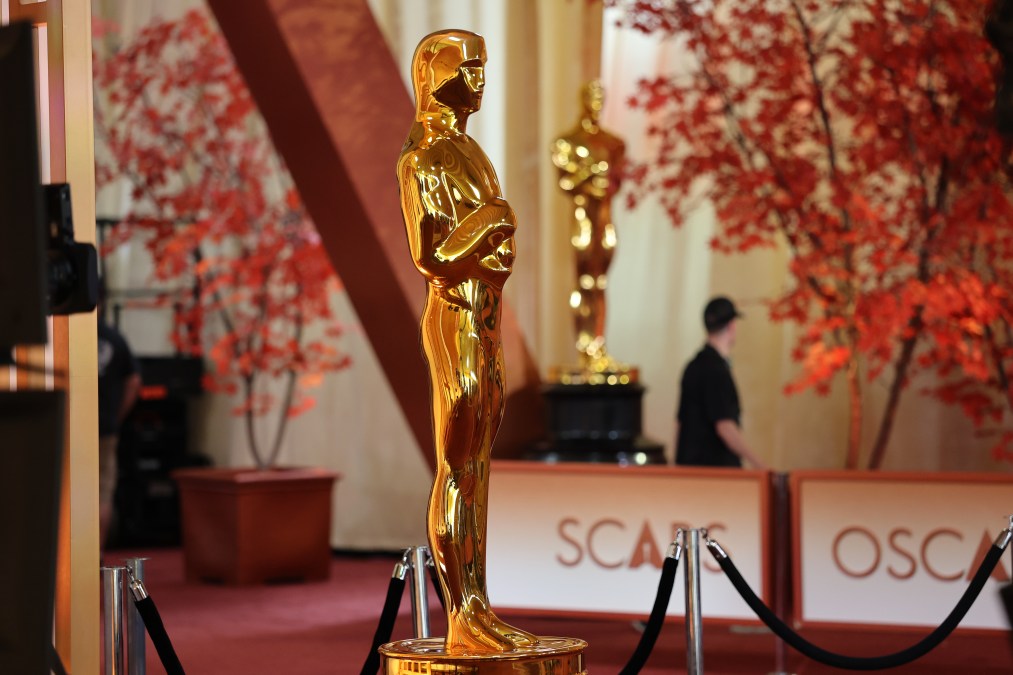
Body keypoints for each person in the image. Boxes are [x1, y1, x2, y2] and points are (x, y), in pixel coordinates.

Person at [398, 29, 536, 654]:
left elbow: (494, 250)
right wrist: (494, 220)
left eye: (484, 65)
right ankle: (462, 615)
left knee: (479, 468)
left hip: (488, 318)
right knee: (457, 467)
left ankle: (478, 607)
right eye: (470, 65)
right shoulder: (421, 160)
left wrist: (495, 234)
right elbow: (432, 257)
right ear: (437, 73)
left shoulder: (473, 154)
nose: (481, 77)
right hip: (454, 317)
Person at [551, 80, 626, 370]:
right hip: (583, 220)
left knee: (600, 282)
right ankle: (585, 350)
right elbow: (567, 183)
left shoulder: (614, 144)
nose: (596, 103)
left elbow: (615, 183)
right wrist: (590, 172)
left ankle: (598, 346)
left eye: (600, 97)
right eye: (591, 97)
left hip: (604, 220)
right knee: (584, 280)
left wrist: (598, 175)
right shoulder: (567, 143)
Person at [675, 297, 766, 469]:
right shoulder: (717, 370)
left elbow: (680, 422)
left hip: (690, 471)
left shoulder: (692, 367)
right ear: (732, 326)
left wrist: (678, 467)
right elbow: (725, 426)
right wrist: (760, 466)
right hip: (716, 473)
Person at [98, 316, 141, 549]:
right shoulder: (114, 338)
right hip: (106, 426)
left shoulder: (65, 332)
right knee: (102, 493)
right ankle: (97, 554)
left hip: (69, 427)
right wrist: (117, 416)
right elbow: (134, 381)